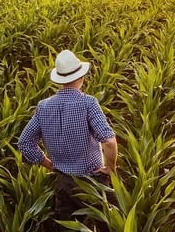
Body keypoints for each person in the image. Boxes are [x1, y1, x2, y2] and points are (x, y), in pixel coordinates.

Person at [18, 49, 117, 219]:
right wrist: (111, 169)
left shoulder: (43, 106)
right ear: (82, 77)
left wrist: (50, 165)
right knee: (101, 231)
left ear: (60, 80)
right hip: (92, 183)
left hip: (62, 183)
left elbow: (24, 143)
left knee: (69, 231)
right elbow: (109, 141)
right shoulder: (88, 103)